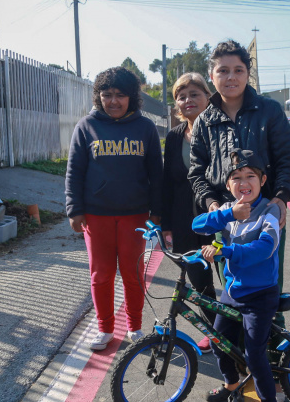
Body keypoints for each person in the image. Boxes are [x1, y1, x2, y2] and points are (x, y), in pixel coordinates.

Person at [188, 39, 290, 315]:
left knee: (265, 289)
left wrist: (280, 199)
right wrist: (213, 204)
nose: (231, 77)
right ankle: (238, 355)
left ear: (247, 74)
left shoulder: (269, 111)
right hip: (225, 219)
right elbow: (196, 172)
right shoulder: (204, 120)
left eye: (238, 70)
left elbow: (289, 160)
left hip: (265, 214)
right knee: (232, 289)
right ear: (212, 76)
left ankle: (270, 353)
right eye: (223, 70)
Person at [65, 66, 163, 351]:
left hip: (136, 215)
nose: (114, 101)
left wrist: (156, 211)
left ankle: (134, 326)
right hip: (96, 216)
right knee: (101, 274)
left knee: (132, 273)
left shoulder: (144, 128)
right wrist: (74, 209)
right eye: (107, 95)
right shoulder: (86, 127)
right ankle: (105, 329)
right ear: (98, 97)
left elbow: (156, 173)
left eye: (121, 95)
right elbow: (74, 172)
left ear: (132, 97)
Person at [193, 148, 282, 402]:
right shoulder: (230, 211)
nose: (244, 183)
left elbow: (264, 249)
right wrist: (228, 213)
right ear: (228, 185)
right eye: (236, 178)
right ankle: (232, 384)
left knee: (255, 355)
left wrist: (227, 251)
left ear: (262, 179)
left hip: (260, 295)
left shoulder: (270, 211)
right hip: (233, 292)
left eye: (250, 177)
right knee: (218, 341)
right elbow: (197, 225)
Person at [161, 73, 218, 351]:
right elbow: (167, 182)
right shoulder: (173, 137)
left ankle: (241, 334)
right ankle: (216, 329)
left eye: (195, 94)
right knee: (199, 281)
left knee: (233, 281)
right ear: (176, 105)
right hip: (184, 220)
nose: (188, 100)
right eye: (181, 96)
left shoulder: (221, 129)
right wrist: (165, 224)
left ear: (208, 97)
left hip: (219, 218)